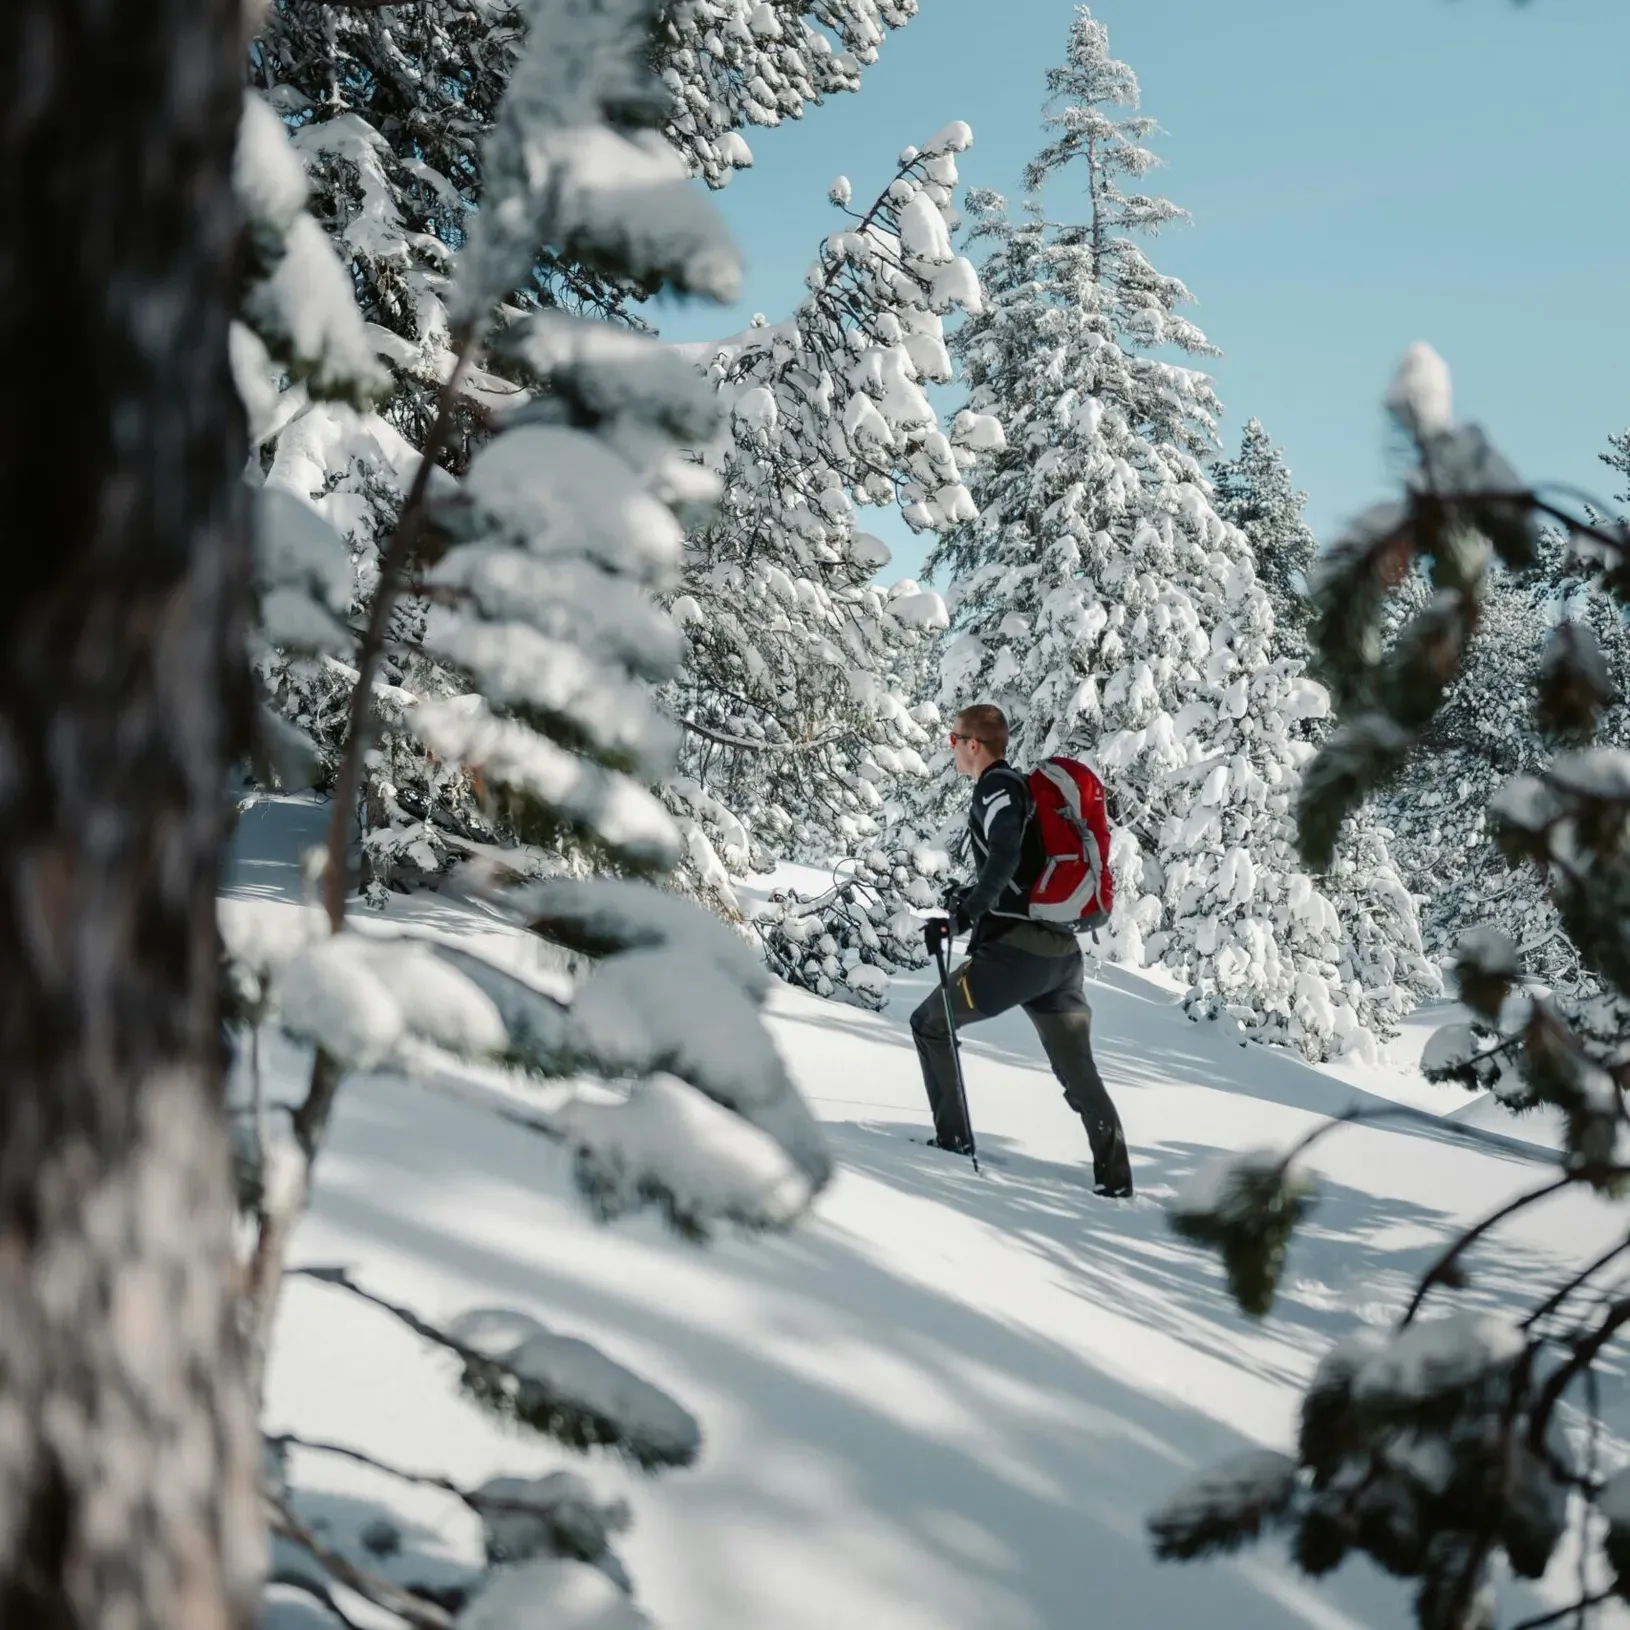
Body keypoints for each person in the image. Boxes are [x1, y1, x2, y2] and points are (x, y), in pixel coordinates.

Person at [910, 703, 1134, 1198]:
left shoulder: (994, 787)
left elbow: (1007, 852)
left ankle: (952, 1144)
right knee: (1079, 1074)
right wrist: (968, 899)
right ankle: (1116, 1182)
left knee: (930, 1023)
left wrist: (967, 914)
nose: (951, 748)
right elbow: (1015, 868)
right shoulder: (1021, 789)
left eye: (953, 740)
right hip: (1060, 956)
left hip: (1018, 956)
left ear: (973, 744)